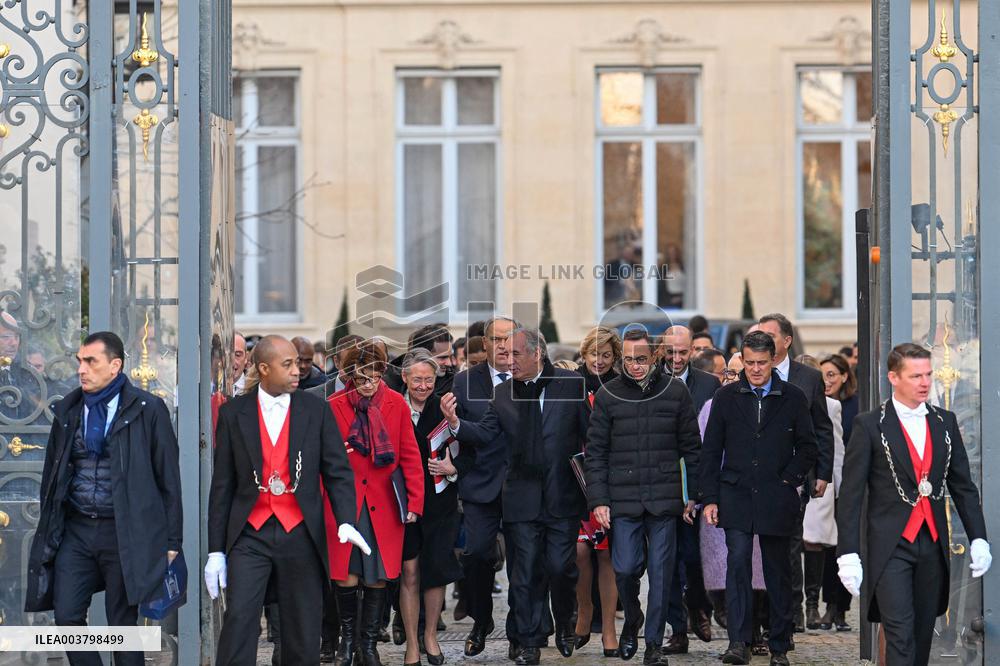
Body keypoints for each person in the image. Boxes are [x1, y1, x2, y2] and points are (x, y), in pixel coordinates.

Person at [205, 335, 366, 666]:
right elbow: (222, 486)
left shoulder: (316, 410)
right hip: (250, 535)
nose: (297, 371)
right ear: (264, 369)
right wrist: (216, 551)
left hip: (301, 533)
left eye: (297, 363)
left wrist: (346, 519)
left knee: (303, 629)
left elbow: (337, 471)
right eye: (287, 364)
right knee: (239, 621)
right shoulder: (235, 413)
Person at [25, 331, 183, 666]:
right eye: (80, 361)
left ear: (115, 365)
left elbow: (168, 478)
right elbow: (53, 474)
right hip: (78, 530)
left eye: (90, 361)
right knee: (67, 616)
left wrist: (172, 540)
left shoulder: (148, 410)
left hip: (126, 532)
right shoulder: (68, 411)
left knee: (122, 625)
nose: (81, 369)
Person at [441, 328, 589, 665]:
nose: (509, 361)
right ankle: (528, 642)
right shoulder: (503, 393)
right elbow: (486, 432)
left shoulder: (570, 385)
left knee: (561, 567)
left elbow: (590, 436)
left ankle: (564, 619)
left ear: (536, 354)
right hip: (520, 496)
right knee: (523, 575)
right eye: (505, 354)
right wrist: (455, 424)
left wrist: (594, 485)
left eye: (515, 354)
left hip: (561, 495)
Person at [837, 343, 991, 666]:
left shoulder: (944, 422)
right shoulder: (869, 425)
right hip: (890, 547)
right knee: (900, 635)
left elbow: (963, 487)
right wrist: (847, 553)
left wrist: (979, 537)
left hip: (932, 545)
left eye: (928, 374)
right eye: (915, 375)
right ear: (893, 377)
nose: (925, 382)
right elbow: (851, 495)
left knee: (922, 637)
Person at [700, 331, 818, 666]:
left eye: (761, 363)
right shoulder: (726, 398)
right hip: (735, 494)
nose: (754, 369)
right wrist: (709, 498)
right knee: (737, 566)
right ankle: (739, 641)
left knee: (776, 570)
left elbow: (808, 447)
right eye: (749, 363)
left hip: (776, 496)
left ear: (773, 362)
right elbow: (711, 451)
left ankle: (779, 643)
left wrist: (788, 479)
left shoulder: (792, 397)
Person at [586, 328, 701, 666]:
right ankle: (632, 616)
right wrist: (599, 500)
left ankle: (652, 644)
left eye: (640, 359)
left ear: (654, 357)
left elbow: (692, 448)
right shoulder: (608, 395)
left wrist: (692, 495)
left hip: (665, 499)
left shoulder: (675, 392)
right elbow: (596, 453)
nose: (634, 366)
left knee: (662, 573)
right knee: (624, 569)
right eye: (628, 360)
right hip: (623, 499)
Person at [326, 339, 425, 666]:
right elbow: (323, 460)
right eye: (361, 377)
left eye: (374, 377)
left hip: (384, 502)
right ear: (350, 374)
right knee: (345, 573)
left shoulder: (396, 402)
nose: (368, 384)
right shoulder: (333, 404)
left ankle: (368, 645)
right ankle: (347, 642)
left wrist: (415, 501)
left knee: (377, 575)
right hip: (343, 503)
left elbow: (410, 455)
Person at [446, 316, 517, 658]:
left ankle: (521, 631)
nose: (504, 346)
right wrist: (454, 468)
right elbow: (457, 436)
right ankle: (482, 619)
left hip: (522, 485)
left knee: (524, 561)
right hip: (479, 483)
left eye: (509, 338)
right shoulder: (464, 383)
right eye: (496, 339)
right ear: (483, 344)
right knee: (474, 555)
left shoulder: (531, 376)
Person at [757, 313, 833, 632]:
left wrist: (823, 473)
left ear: (786, 341)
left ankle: (792, 611)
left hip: (796, 475)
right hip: (758, 476)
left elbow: (822, 427)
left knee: (790, 541)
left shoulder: (808, 378)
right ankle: (769, 612)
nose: (762, 342)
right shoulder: (754, 373)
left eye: (769, 336)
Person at [397, 349, 463, 666]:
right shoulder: (393, 406)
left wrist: (455, 467)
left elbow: (471, 446)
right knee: (409, 571)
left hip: (440, 500)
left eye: (429, 379)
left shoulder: (445, 406)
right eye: (418, 379)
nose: (424, 386)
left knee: (435, 571)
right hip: (405, 502)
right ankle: (411, 642)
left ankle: (431, 636)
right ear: (404, 378)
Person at [659, 325, 719, 652]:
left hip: (698, 482)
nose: (677, 358)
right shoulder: (651, 382)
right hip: (662, 483)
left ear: (694, 349)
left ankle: (698, 605)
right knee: (666, 560)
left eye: (684, 352)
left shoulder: (709, 384)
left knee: (695, 557)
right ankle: (677, 628)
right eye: (671, 352)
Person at [573, 326, 621, 658]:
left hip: (611, 481)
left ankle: (608, 629)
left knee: (607, 554)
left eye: (606, 355)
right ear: (584, 355)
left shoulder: (621, 388)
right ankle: (584, 609)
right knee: (578, 552)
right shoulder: (569, 386)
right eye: (594, 355)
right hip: (575, 482)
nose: (599, 361)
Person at [794, 356, 845, 632]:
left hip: (819, 481)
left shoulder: (832, 405)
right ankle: (795, 607)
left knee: (813, 541)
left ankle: (811, 604)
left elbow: (834, 444)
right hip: (792, 477)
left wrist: (835, 481)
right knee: (791, 544)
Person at [818, 353, 860, 630]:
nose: (827, 381)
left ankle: (840, 608)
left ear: (845, 375)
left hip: (852, 482)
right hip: (830, 482)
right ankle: (828, 604)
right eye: (823, 376)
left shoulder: (854, 406)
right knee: (825, 546)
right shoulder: (821, 405)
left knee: (845, 544)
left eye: (832, 375)